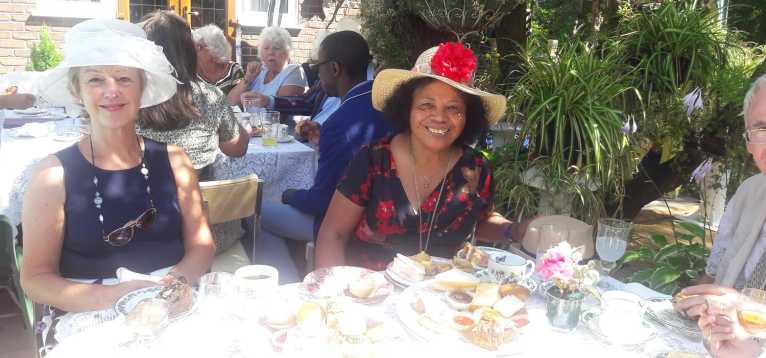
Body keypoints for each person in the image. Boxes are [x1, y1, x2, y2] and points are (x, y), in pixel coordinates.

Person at [21, 18, 214, 314]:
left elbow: (201, 246)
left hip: (171, 301)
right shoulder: (52, 176)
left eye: (124, 78)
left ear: (142, 87)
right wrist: (113, 297)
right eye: (95, 79)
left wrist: (168, 288)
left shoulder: (175, 161)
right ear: (78, 91)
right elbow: (35, 279)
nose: (112, 91)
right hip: (90, 312)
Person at [315, 42, 533, 270]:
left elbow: (479, 219)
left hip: (445, 296)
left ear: (468, 115)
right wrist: (332, 294)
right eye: (427, 105)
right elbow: (334, 234)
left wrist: (513, 230)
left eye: (453, 108)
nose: (439, 117)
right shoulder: (373, 161)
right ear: (407, 107)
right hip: (372, 295)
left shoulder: (477, 169)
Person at [257, 31, 393, 282]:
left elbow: (322, 202)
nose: (317, 76)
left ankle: (287, 286)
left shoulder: (341, 122)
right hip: (386, 217)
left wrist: (291, 195)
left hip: (349, 227)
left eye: (318, 67)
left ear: (334, 68)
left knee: (256, 214)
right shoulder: (383, 100)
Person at [137, 11, 249, 181]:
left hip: (143, 201)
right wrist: (246, 130)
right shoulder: (210, 96)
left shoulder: (127, 98)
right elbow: (237, 148)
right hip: (199, 201)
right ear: (189, 50)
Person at [227, 26, 307, 107]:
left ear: (287, 52)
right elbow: (230, 102)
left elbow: (284, 109)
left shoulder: (294, 71)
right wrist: (247, 78)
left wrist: (266, 101)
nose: (270, 52)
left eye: (276, 48)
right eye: (266, 48)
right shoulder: (260, 71)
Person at [192, 24, 245, 95]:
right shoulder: (193, 72)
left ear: (214, 50)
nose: (194, 50)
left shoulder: (234, 71)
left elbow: (239, 101)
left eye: (199, 47)